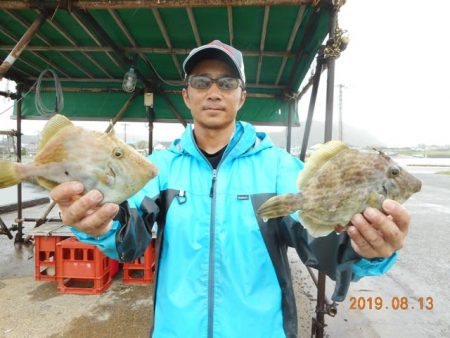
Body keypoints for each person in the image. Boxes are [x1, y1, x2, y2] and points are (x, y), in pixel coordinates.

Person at [51, 40, 410, 338]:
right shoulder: (160, 168)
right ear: (186, 95)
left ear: (241, 96)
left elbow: (320, 243)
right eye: (201, 81)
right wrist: (99, 224)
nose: (214, 92)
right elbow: (130, 238)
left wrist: (366, 249)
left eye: (227, 83)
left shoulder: (279, 169)